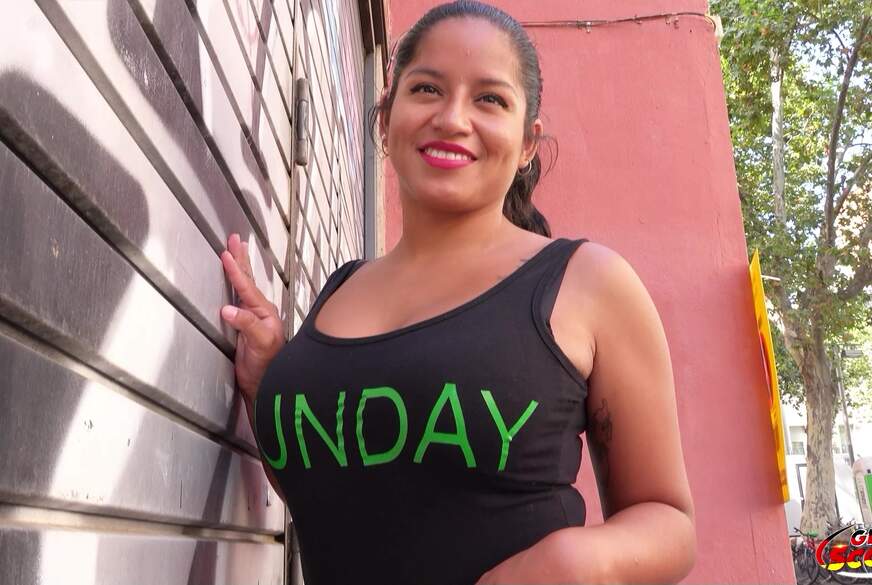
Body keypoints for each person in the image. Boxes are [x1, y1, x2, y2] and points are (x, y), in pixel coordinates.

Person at [219, 1, 696, 583]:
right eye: (427, 89)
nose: (452, 118)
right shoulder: (341, 288)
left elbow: (670, 525)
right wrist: (266, 380)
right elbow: (326, 491)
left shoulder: (587, 283)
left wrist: (570, 561)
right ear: (385, 118)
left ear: (527, 143)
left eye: (489, 99)